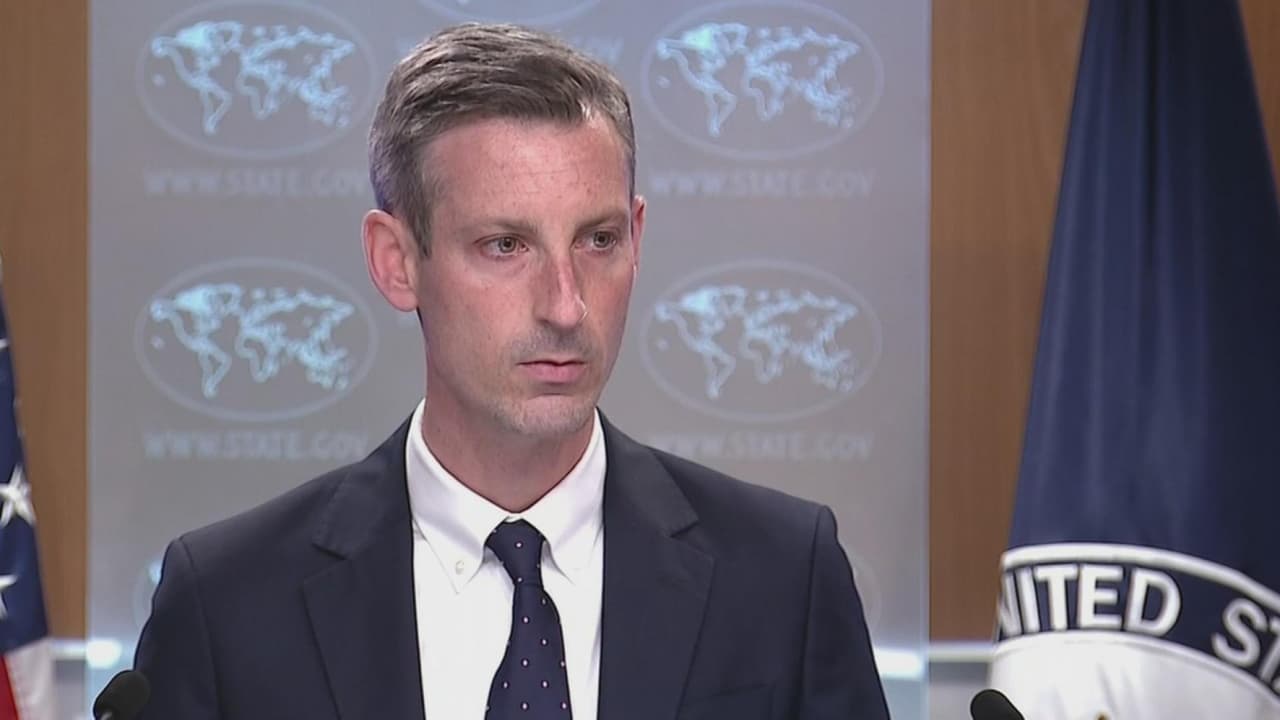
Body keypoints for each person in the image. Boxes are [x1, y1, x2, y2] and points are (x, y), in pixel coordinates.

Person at [132, 22, 890, 720]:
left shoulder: (785, 578)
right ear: (396, 262)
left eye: (597, 240)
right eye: (505, 246)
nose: (565, 305)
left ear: (637, 237)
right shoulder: (227, 606)